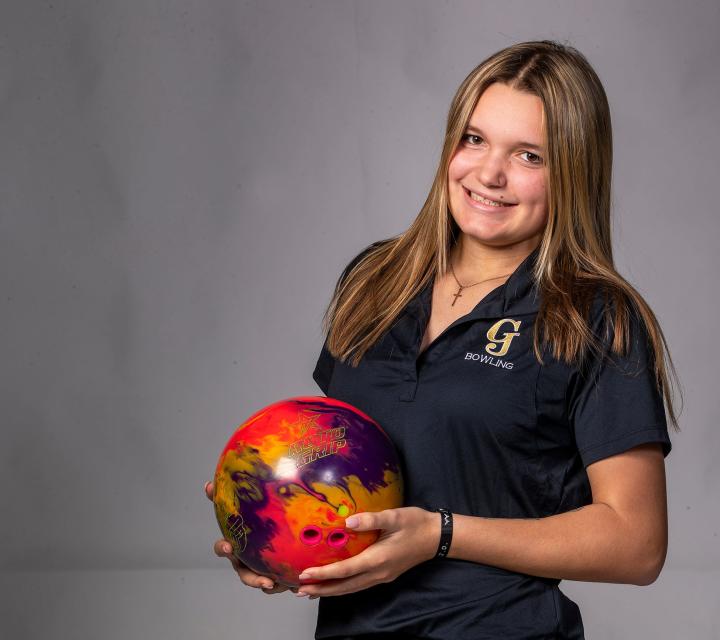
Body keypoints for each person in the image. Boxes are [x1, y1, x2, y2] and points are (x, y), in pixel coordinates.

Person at [206, 40, 681, 639]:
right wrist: (272, 528)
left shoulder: (593, 317)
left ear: (574, 173)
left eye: (530, 155)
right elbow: (338, 467)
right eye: (475, 139)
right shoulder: (374, 280)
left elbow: (636, 546)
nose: (489, 173)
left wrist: (440, 534)